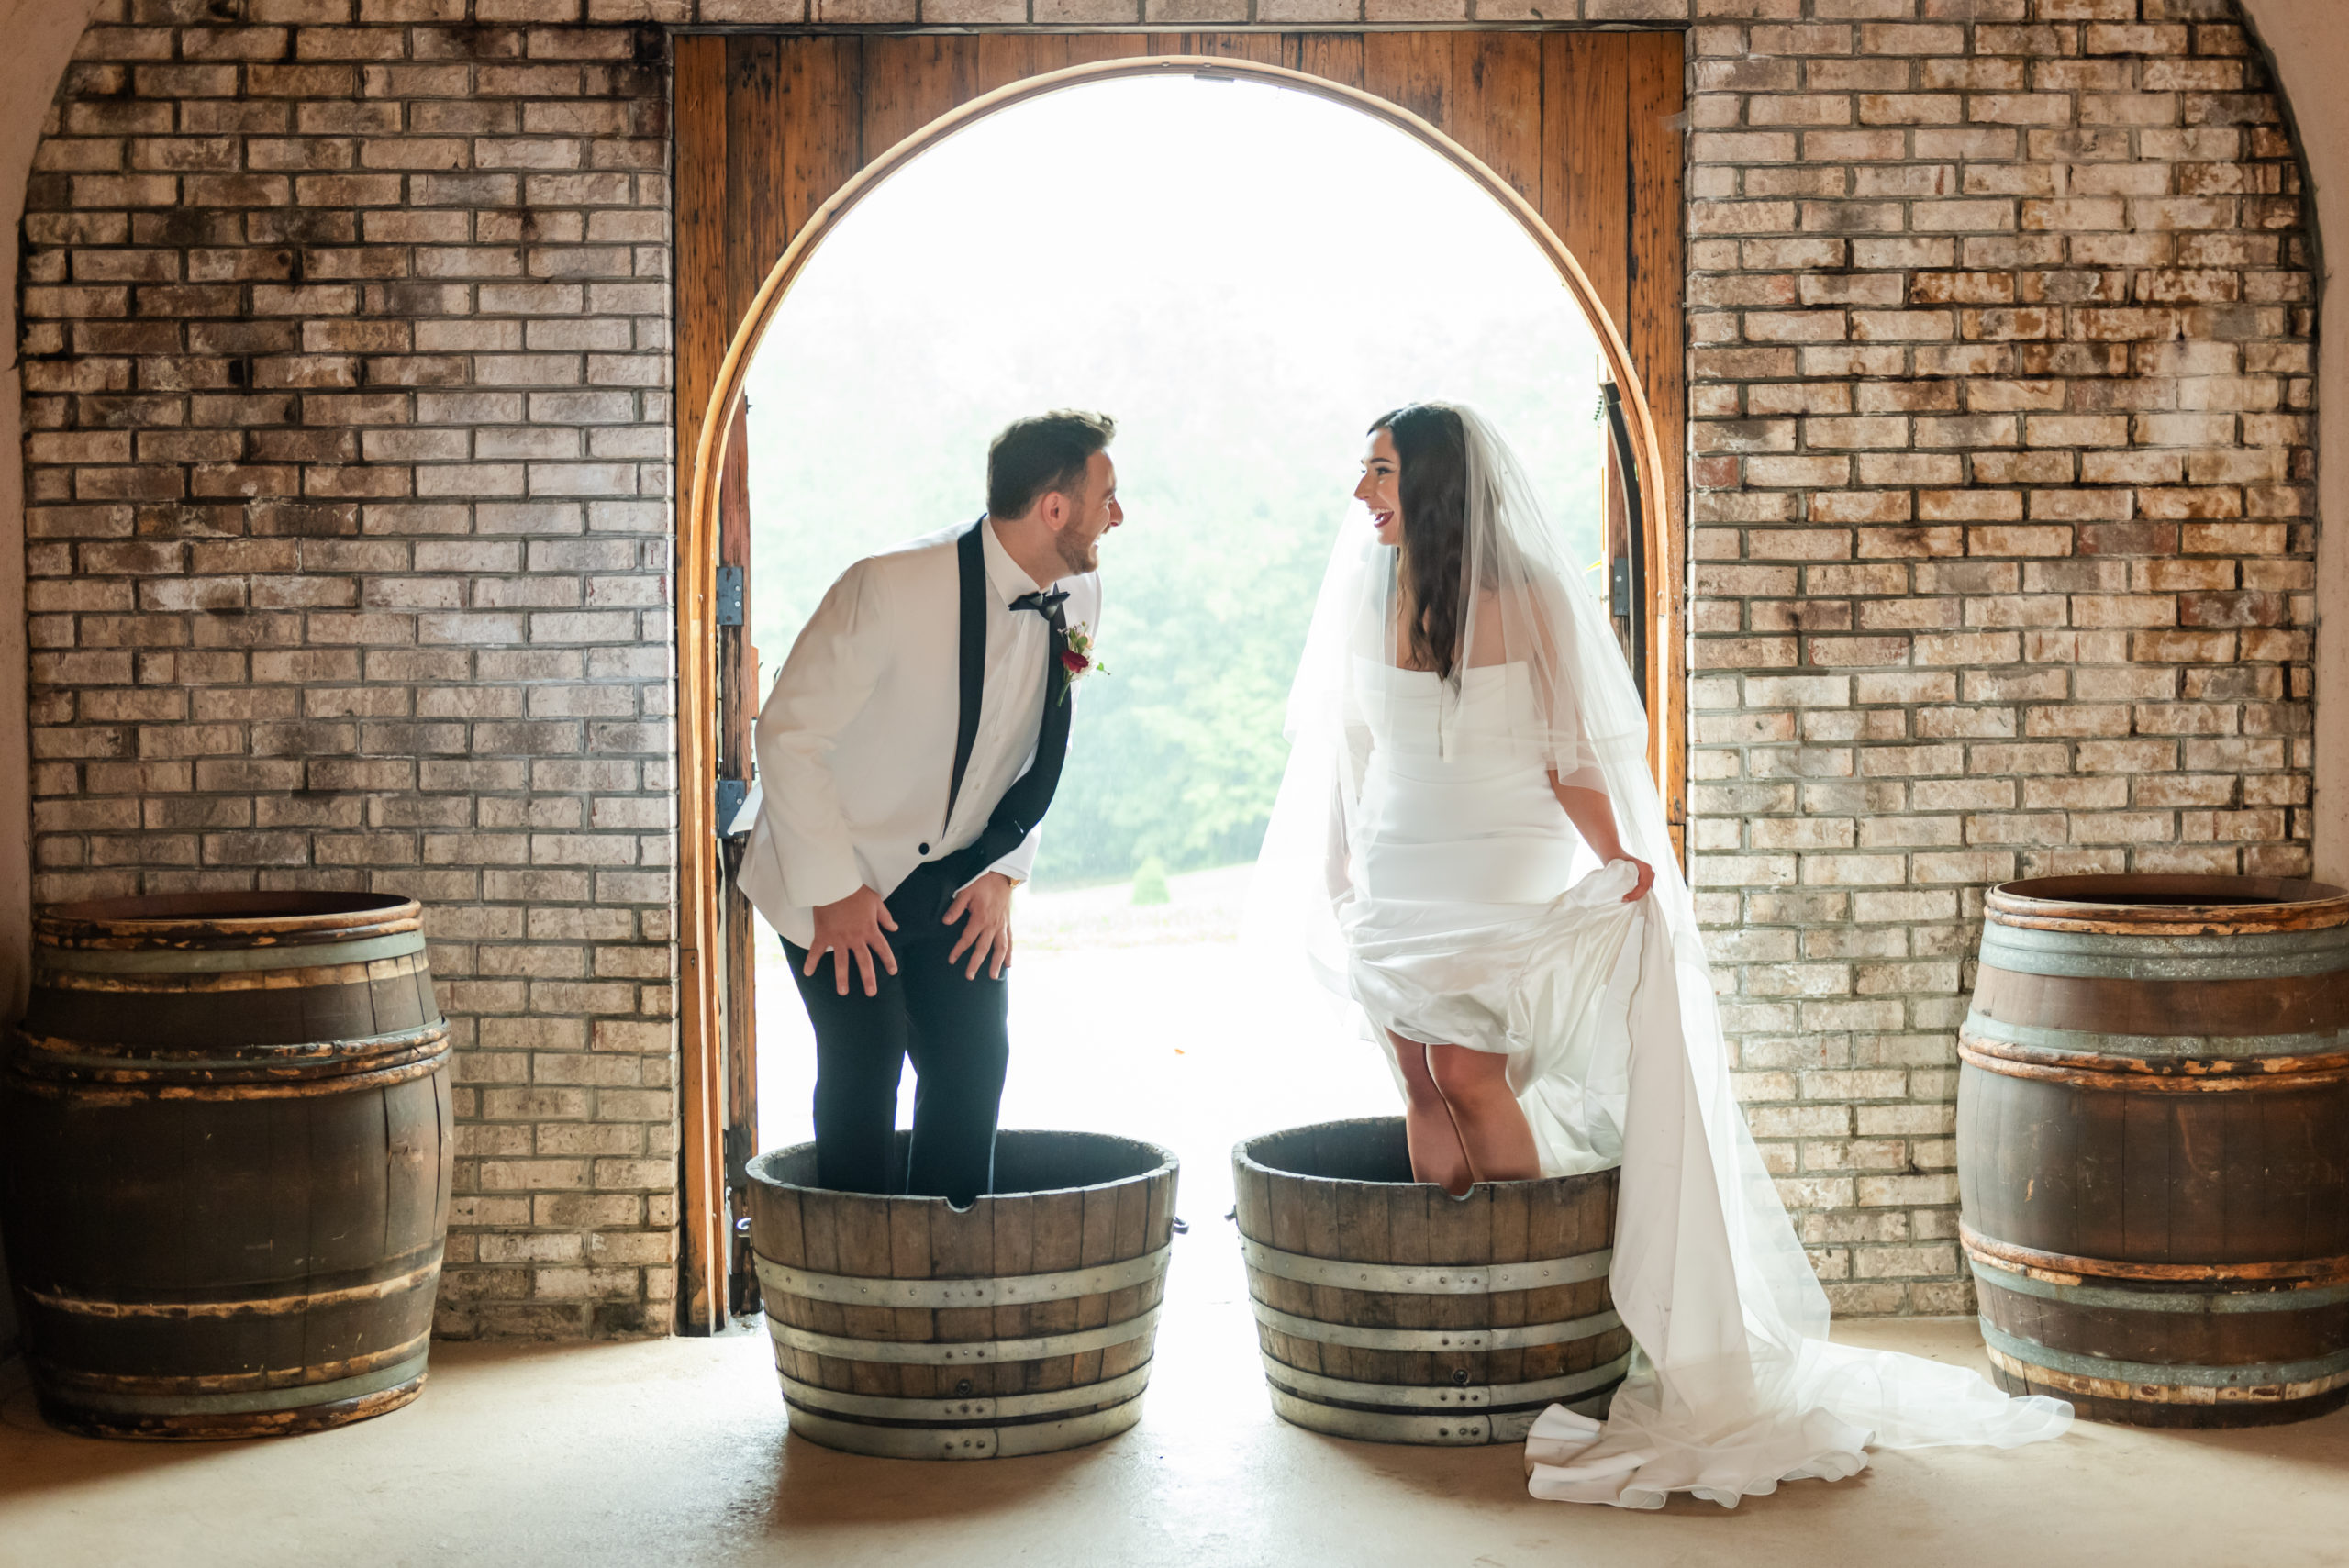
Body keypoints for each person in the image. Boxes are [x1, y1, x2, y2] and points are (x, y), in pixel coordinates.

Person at [1253, 401, 2070, 1507]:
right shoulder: (1369, 588)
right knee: (1413, 1071)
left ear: (1436, 483)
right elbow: (1351, 743)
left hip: (1496, 866)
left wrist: (1621, 861)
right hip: (1399, 867)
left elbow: (1569, 754)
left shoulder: (1532, 594)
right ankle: (1451, 1287)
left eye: (1381, 471)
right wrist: (1342, 874)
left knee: (1470, 1072)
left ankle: (1514, 1284)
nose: (1362, 495)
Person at [737, 410, 1121, 1206]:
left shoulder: (1077, 591)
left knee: (975, 1057)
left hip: (956, 870)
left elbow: (1034, 747)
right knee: (864, 1063)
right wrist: (836, 891)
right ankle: (852, 1289)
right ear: (1055, 509)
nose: (1118, 516)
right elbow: (787, 734)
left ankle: (946, 1275)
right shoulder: (888, 585)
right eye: (1106, 496)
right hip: (836, 864)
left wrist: (1004, 872)